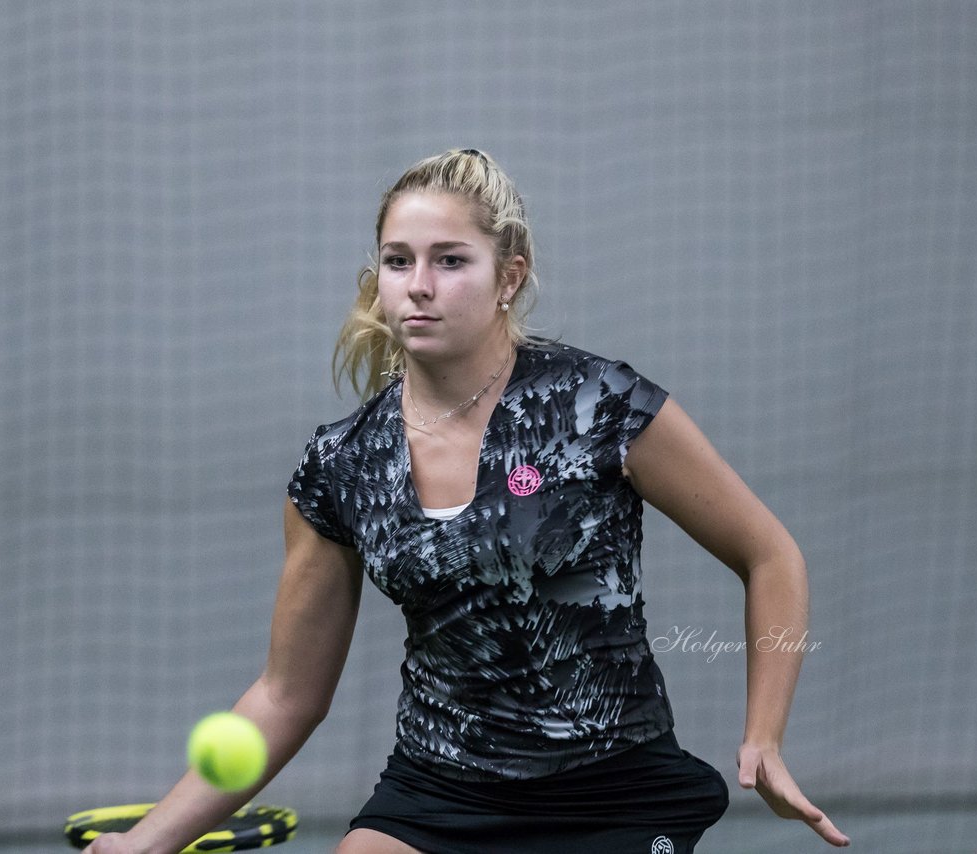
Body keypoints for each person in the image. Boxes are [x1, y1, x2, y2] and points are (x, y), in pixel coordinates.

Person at [87, 149, 850, 853]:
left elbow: (770, 555)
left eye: (451, 261)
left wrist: (766, 736)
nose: (419, 284)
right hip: (438, 789)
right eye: (398, 261)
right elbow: (287, 694)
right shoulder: (342, 464)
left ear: (509, 277)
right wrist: (147, 842)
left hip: (613, 792)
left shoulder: (596, 404)